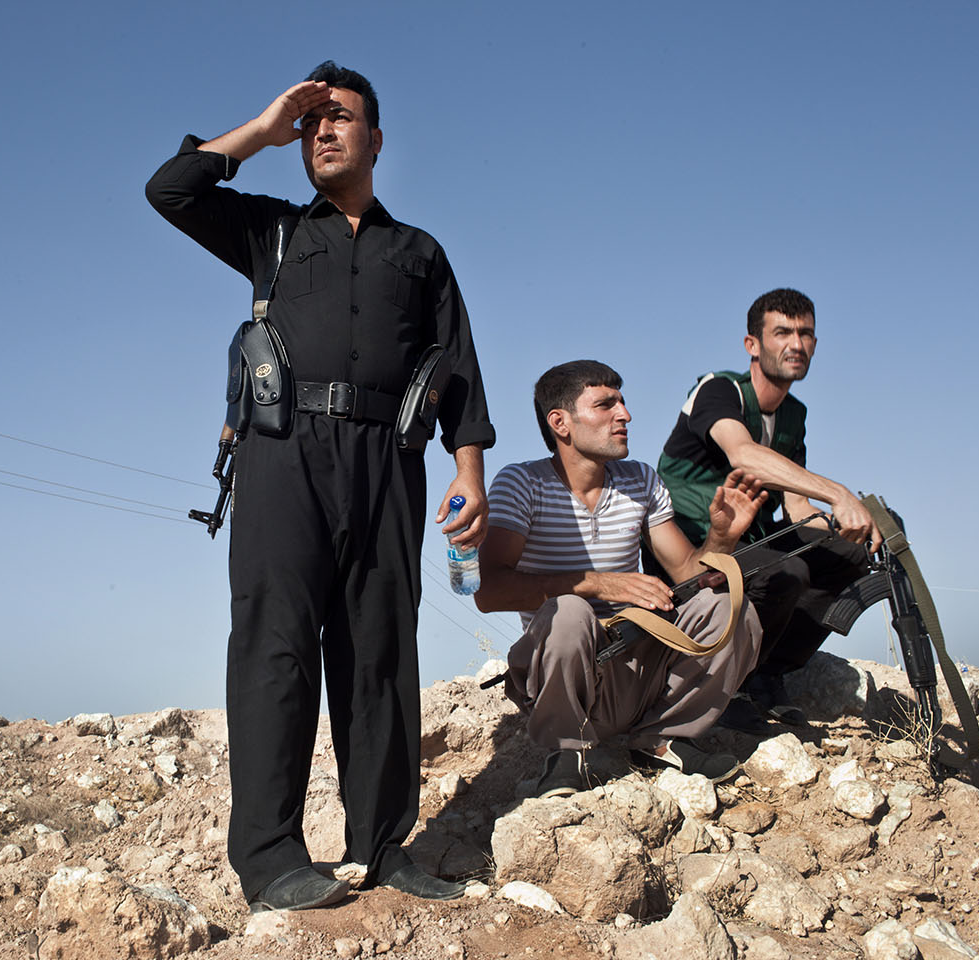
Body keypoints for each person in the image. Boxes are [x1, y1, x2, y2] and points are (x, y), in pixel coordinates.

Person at [145, 62, 493, 911]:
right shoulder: (269, 233)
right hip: (281, 452)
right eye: (312, 124)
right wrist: (262, 129)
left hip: (387, 460)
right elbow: (172, 190)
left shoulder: (420, 254)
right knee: (276, 647)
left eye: (341, 120)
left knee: (379, 651)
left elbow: (458, 366)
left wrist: (469, 470)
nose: (324, 132)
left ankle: (383, 847)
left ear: (376, 140)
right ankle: (269, 860)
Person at [474, 360, 764, 797]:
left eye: (622, 402)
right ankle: (564, 755)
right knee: (569, 611)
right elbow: (491, 590)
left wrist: (722, 539)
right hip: (566, 677)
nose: (624, 414)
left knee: (730, 608)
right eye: (606, 404)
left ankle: (663, 739)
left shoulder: (641, 480)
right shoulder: (522, 482)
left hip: (636, 665)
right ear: (561, 423)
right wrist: (597, 583)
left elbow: (691, 574)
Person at [655, 288, 872, 733]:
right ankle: (725, 688)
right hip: (694, 544)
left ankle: (767, 673)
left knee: (848, 555)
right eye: (782, 333)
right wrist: (839, 493)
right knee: (784, 574)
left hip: (755, 541)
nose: (796, 344)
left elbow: (794, 504)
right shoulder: (718, 390)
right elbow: (743, 455)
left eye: (806, 333)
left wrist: (849, 524)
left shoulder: (793, 414)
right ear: (752, 344)